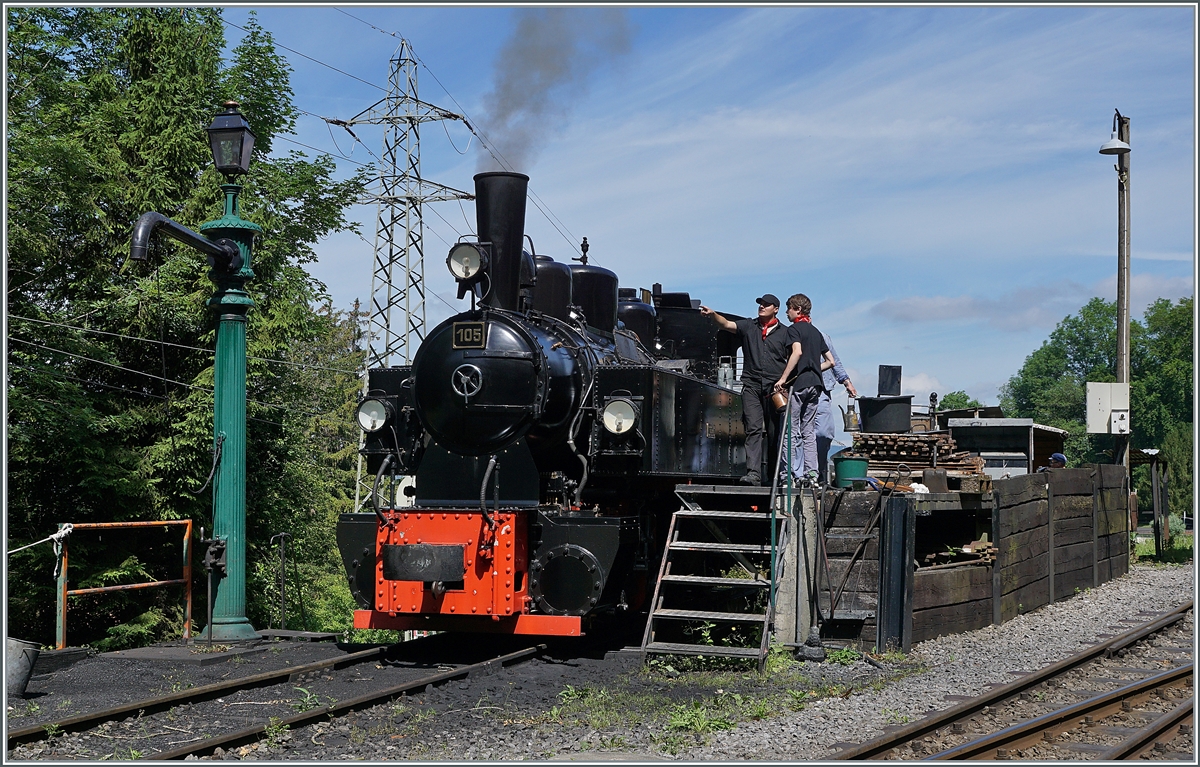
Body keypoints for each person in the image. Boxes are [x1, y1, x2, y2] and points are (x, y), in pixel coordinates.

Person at [700, 294, 793, 485]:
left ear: (776, 309)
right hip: (750, 385)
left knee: (775, 433)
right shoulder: (748, 326)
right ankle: (753, 474)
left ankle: (773, 476)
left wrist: (786, 382)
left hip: (774, 388)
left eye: (766, 305)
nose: (762, 307)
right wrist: (712, 314)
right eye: (760, 304)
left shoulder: (786, 333)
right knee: (753, 429)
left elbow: (794, 357)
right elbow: (726, 324)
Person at [774, 294, 835, 485]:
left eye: (789, 309)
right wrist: (814, 368)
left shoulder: (794, 330)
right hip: (816, 386)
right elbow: (830, 362)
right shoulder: (816, 332)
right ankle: (812, 475)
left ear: (798, 310)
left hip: (798, 385)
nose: (786, 313)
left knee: (790, 431)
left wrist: (783, 379)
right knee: (809, 431)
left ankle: (788, 475)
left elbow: (797, 352)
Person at [815, 328, 858, 484]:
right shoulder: (791, 334)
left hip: (822, 390)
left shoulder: (823, 337)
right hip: (800, 391)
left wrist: (846, 382)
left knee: (824, 433)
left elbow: (835, 361)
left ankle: (819, 473)